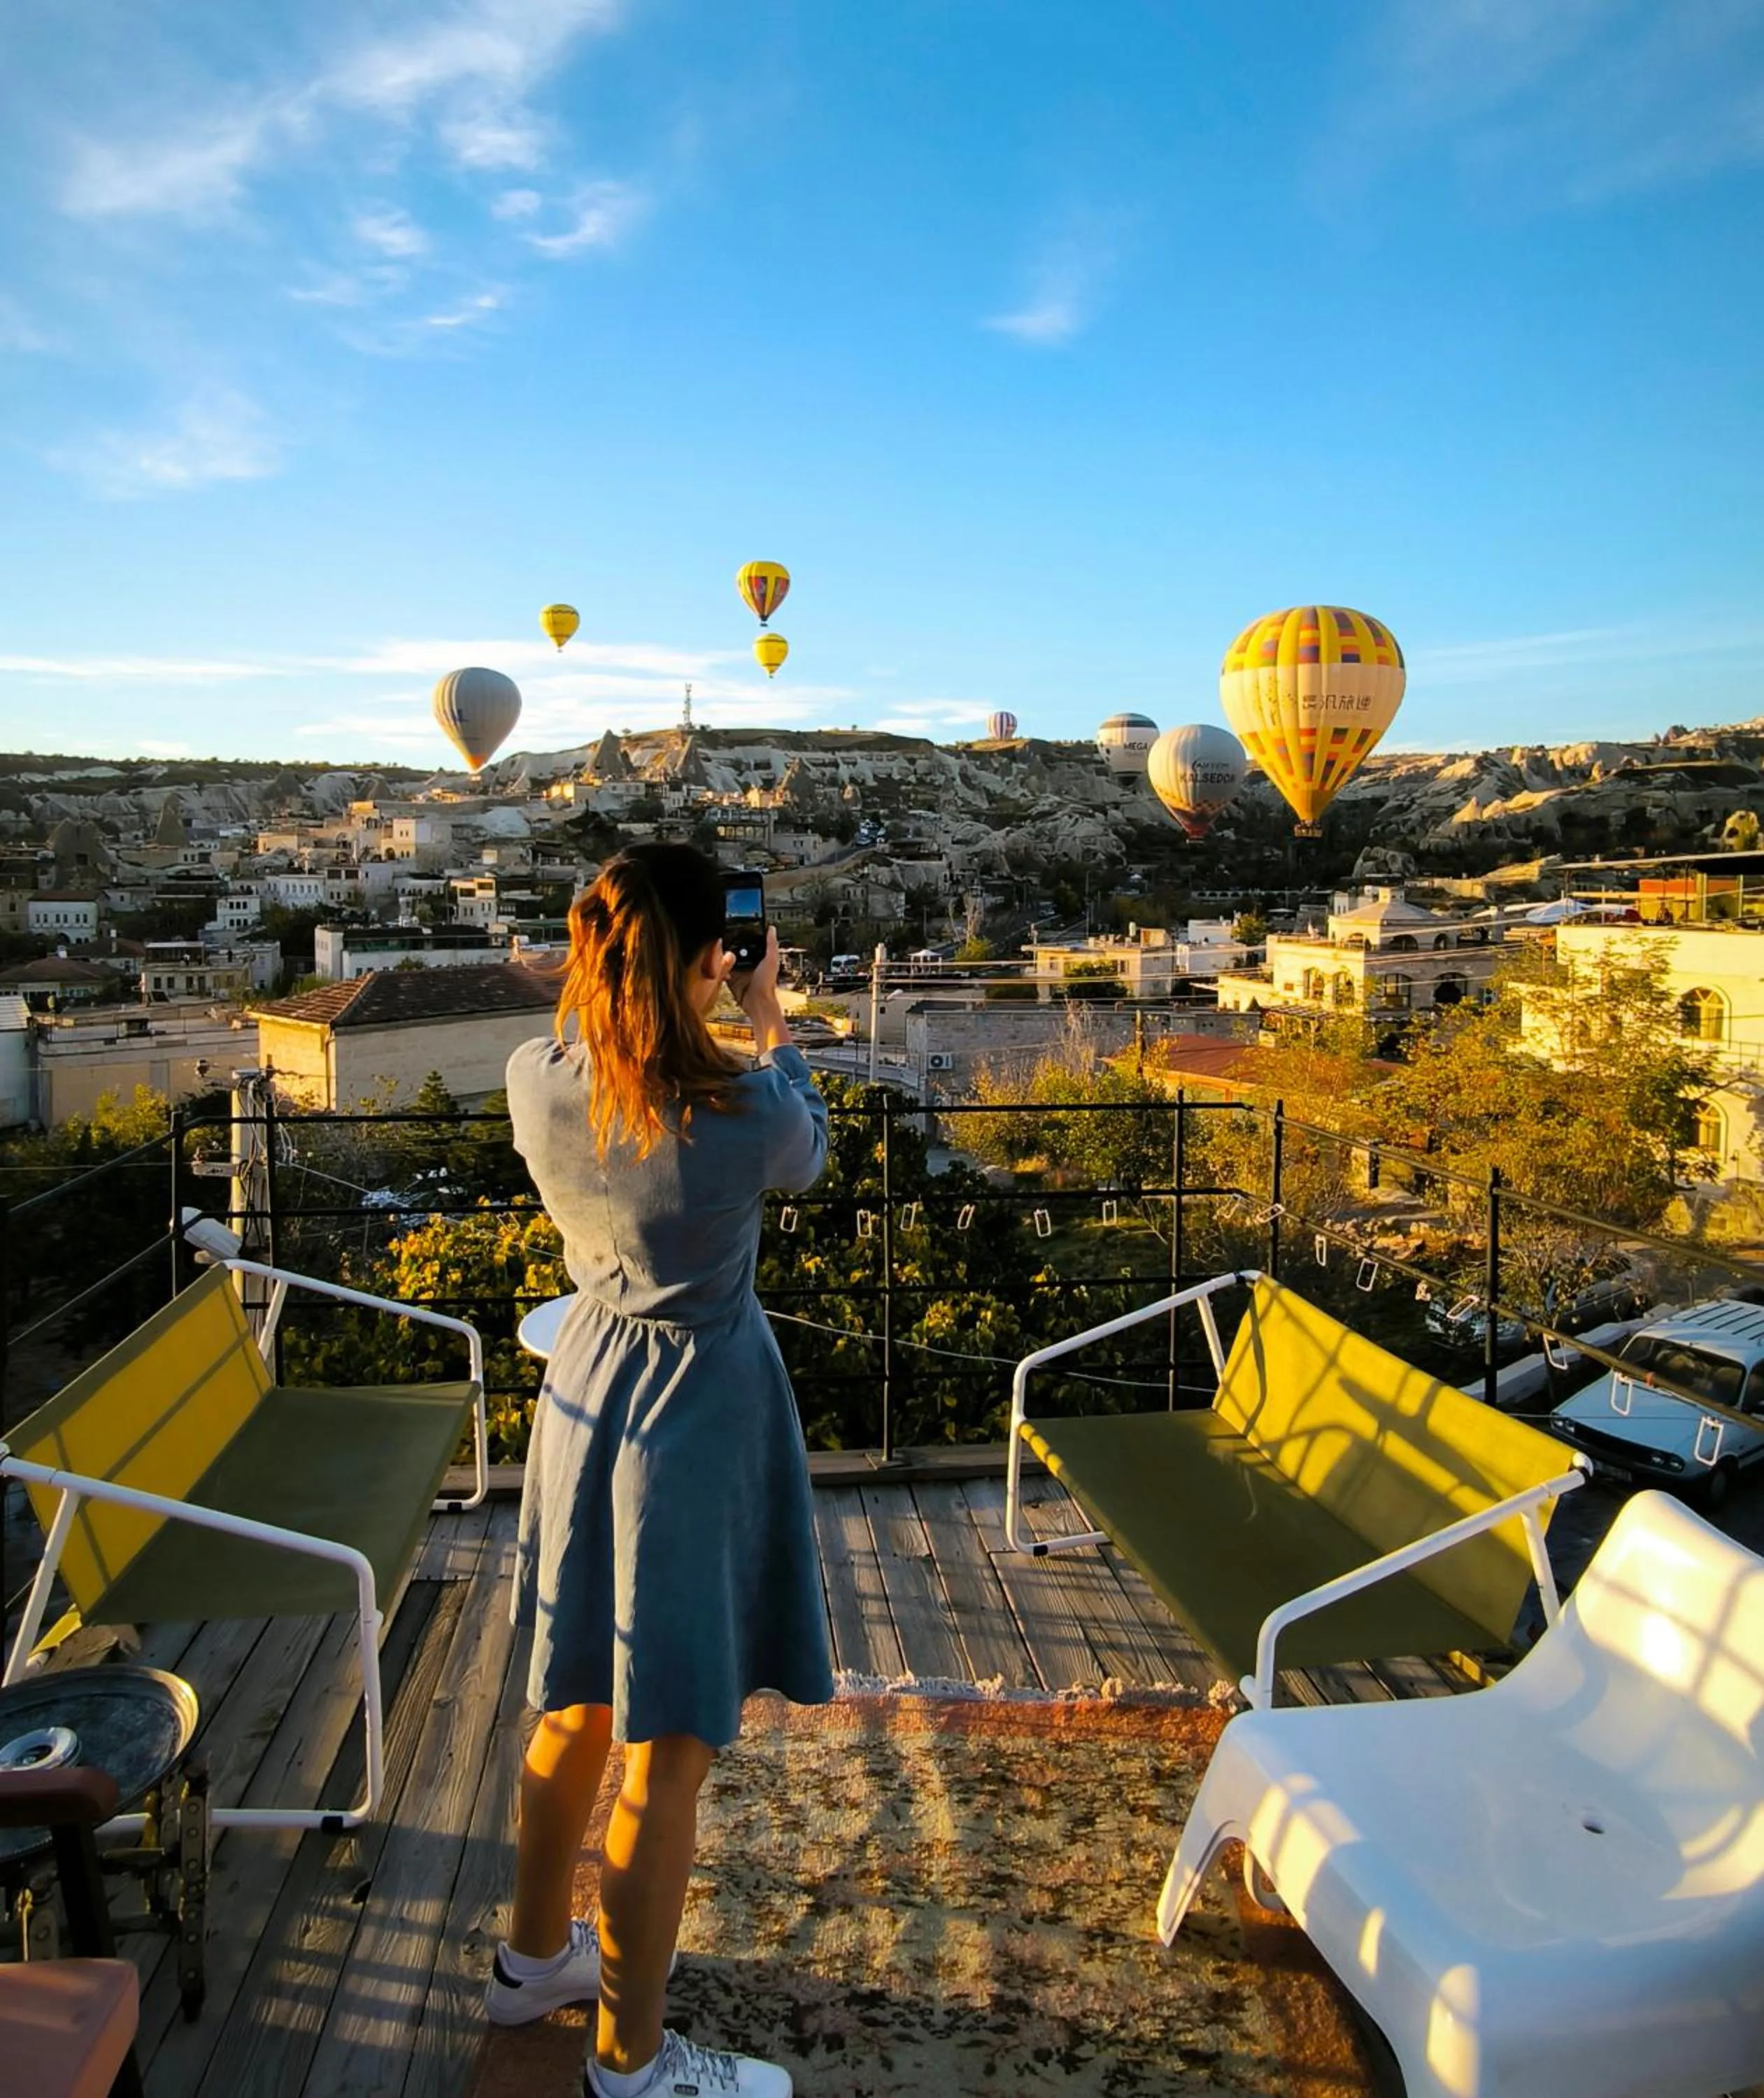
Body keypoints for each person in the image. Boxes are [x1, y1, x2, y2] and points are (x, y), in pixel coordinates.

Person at [485, 843, 832, 2098]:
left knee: (576, 1701)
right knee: (669, 1750)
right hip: (697, 1412)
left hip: (584, 1391)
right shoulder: (747, 1111)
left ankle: (530, 1962)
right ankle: (629, 2062)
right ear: (705, 958)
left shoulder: (535, 1079)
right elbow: (809, 1153)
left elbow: (598, 1048)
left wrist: (644, 984)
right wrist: (767, 1017)